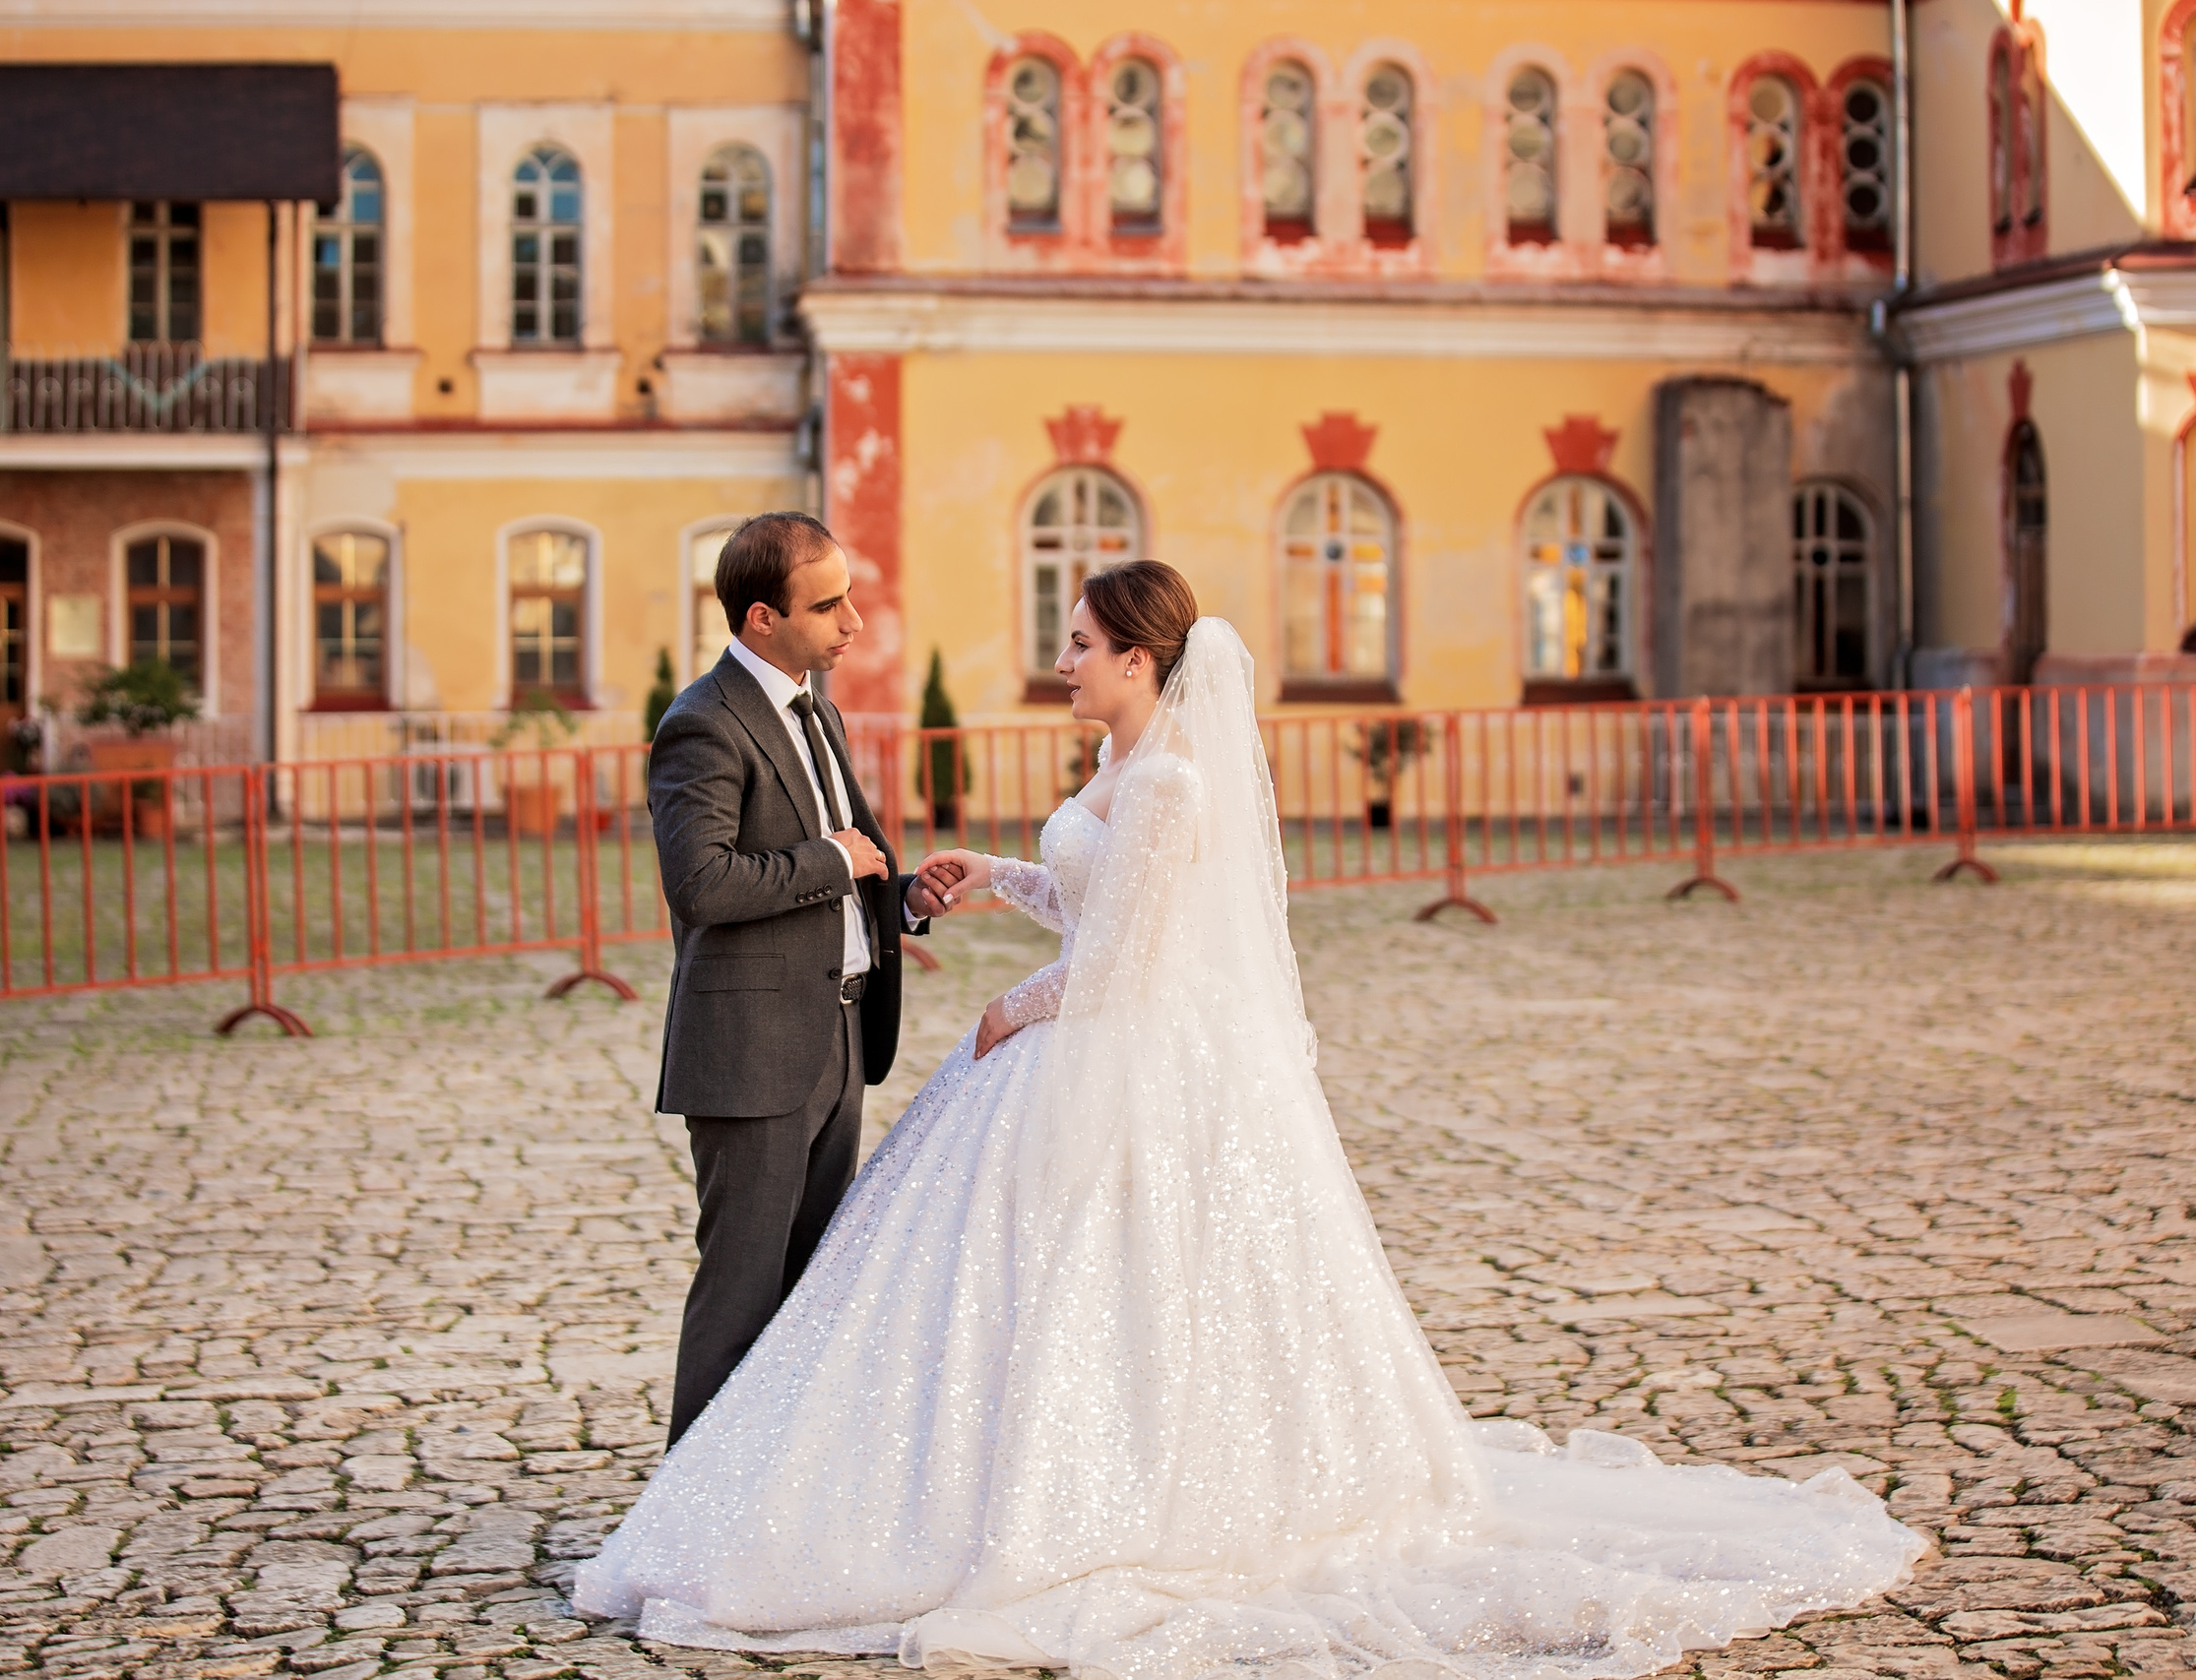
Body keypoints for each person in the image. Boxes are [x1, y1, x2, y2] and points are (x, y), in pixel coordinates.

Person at [589, 559, 1924, 1680]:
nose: (1063, 661)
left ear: (1140, 659)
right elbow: (1099, 905)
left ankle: (1102, 1501)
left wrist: (1020, 1008)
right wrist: (999, 874)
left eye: (1080, 644)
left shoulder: (1171, 786)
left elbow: (1139, 957)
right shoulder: (1123, 770)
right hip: (1084, 1046)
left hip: (1124, 1060)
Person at [645, 512, 962, 1449]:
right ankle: (683, 1520)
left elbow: (844, 864)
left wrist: (902, 898)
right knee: (740, 1291)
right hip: (751, 1054)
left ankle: (765, 1500)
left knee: (813, 1291)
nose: (852, 621)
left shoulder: (815, 706)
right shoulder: (701, 723)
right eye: (828, 605)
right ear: (759, 619)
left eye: (849, 596)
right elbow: (701, 885)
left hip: (839, 1036)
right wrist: (833, 860)